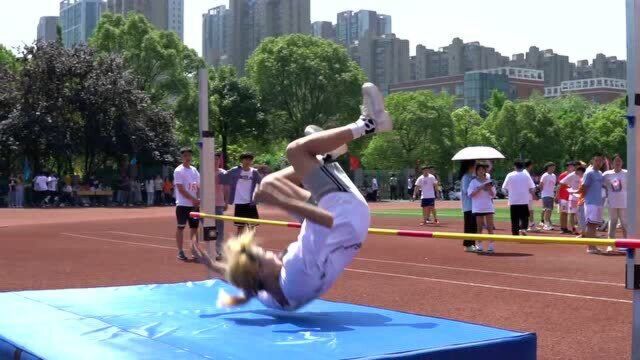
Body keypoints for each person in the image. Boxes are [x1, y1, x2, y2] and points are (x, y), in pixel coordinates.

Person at [193, 82, 391, 310]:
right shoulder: (296, 272)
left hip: (350, 231)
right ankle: (369, 124)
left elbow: (245, 282)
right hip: (342, 212)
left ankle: (325, 157)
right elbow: (324, 219)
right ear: (258, 270)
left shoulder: (275, 297)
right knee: (295, 151)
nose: (270, 252)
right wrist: (278, 201)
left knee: (269, 181)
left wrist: (214, 265)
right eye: (263, 254)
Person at [223, 153, 263, 235]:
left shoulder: (254, 172)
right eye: (246, 159)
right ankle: (239, 246)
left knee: (252, 226)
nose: (248, 161)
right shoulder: (235, 170)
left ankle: (249, 244)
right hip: (240, 202)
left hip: (251, 203)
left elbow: (262, 182)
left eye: (250, 160)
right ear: (241, 160)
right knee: (240, 226)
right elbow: (223, 177)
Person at [174, 147, 201, 261]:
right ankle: (180, 251)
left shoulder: (194, 170)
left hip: (194, 205)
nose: (187, 158)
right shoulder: (178, 171)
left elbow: (198, 186)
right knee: (181, 227)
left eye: (189, 155)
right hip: (182, 205)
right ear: (182, 157)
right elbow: (180, 189)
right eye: (185, 156)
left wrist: (198, 198)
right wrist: (193, 199)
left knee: (194, 228)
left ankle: (194, 250)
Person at [502, 159, 536, 236]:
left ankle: (515, 233)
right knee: (524, 217)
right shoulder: (526, 175)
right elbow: (532, 188)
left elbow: (503, 188)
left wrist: (506, 194)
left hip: (513, 200)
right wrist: (532, 193)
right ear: (522, 166)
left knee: (514, 219)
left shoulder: (510, 175)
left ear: (514, 166)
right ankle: (523, 228)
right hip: (524, 200)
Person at [468, 164, 496, 253]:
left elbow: (493, 195)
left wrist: (489, 189)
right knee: (479, 227)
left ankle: (491, 245)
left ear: (485, 171)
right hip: (478, 207)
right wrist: (480, 187)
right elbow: (470, 194)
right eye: (479, 170)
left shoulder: (489, 181)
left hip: (488, 207)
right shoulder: (473, 182)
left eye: (482, 170)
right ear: (476, 172)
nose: (481, 171)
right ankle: (479, 244)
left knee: (490, 227)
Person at [603, 154, 627, 253]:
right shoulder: (606, 174)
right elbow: (601, 185)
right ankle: (610, 245)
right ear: (612, 163)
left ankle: (627, 244)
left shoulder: (627, 173)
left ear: (622, 162)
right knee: (612, 222)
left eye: (619, 161)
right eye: (616, 161)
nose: (617, 163)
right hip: (612, 202)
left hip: (625, 202)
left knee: (625, 223)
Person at [582, 153, 605, 254]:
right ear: (592, 161)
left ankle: (594, 246)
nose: (598, 162)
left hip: (598, 202)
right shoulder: (589, 173)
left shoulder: (600, 173)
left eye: (600, 161)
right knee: (590, 224)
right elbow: (584, 187)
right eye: (597, 160)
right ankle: (590, 247)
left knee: (594, 225)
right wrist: (584, 199)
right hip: (590, 202)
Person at [560, 164, 585, 235]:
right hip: (573, 197)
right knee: (572, 213)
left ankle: (581, 229)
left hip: (581, 198)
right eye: (575, 169)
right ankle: (573, 228)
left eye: (577, 169)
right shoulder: (572, 175)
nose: (575, 171)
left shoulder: (585, 176)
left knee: (580, 214)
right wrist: (570, 188)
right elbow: (562, 182)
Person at [459, 160, 477, 252]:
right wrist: (476, 189)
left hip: (475, 205)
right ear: (470, 166)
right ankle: (467, 244)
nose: (476, 166)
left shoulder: (473, 177)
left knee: (474, 226)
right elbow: (466, 191)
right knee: (469, 226)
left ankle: (472, 243)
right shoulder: (466, 177)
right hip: (468, 205)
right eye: (474, 164)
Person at [215, 152, 229, 260]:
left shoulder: (223, 173)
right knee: (209, 228)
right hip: (207, 204)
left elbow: (226, 188)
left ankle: (219, 250)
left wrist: (226, 201)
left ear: (219, 161)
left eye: (217, 159)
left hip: (219, 204)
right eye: (213, 159)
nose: (215, 161)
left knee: (220, 229)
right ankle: (212, 248)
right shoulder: (205, 173)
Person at [557, 161, 576, 234]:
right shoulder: (563, 175)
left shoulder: (575, 175)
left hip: (571, 197)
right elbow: (559, 186)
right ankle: (563, 227)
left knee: (569, 213)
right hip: (563, 196)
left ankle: (567, 227)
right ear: (567, 167)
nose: (571, 168)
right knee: (563, 212)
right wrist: (557, 195)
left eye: (572, 166)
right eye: (570, 166)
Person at [539, 162, 557, 231]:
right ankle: (546, 224)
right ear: (548, 167)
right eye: (552, 167)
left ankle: (548, 223)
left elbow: (553, 186)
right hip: (545, 194)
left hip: (551, 195)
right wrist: (540, 193)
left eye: (554, 167)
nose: (553, 168)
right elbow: (541, 185)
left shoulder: (554, 176)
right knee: (547, 209)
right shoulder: (545, 175)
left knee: (550, 210)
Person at [523, 160, 539, 232]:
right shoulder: (526, 173)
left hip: (525, 195)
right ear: (530, 165)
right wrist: (534, 195)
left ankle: (529, 225)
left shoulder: (524, 173)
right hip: (527, 195)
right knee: (530, 211)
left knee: (528, 210)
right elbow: (529, 186)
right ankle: (531, 225)